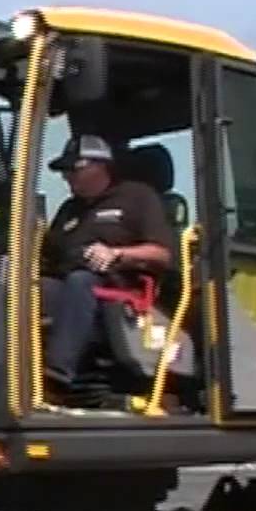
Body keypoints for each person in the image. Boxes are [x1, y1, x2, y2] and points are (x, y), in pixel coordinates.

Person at [39, 134, 175, 407]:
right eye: (63, 171)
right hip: (69, 290)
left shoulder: (137, 197)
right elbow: (47, 259)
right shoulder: (69, 209)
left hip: (120, 292)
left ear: (100, 166)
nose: (67, 177)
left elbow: (162, 254)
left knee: (81, 281)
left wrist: (117, 254)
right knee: (21, 286)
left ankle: (56, 376)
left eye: (73, 169)